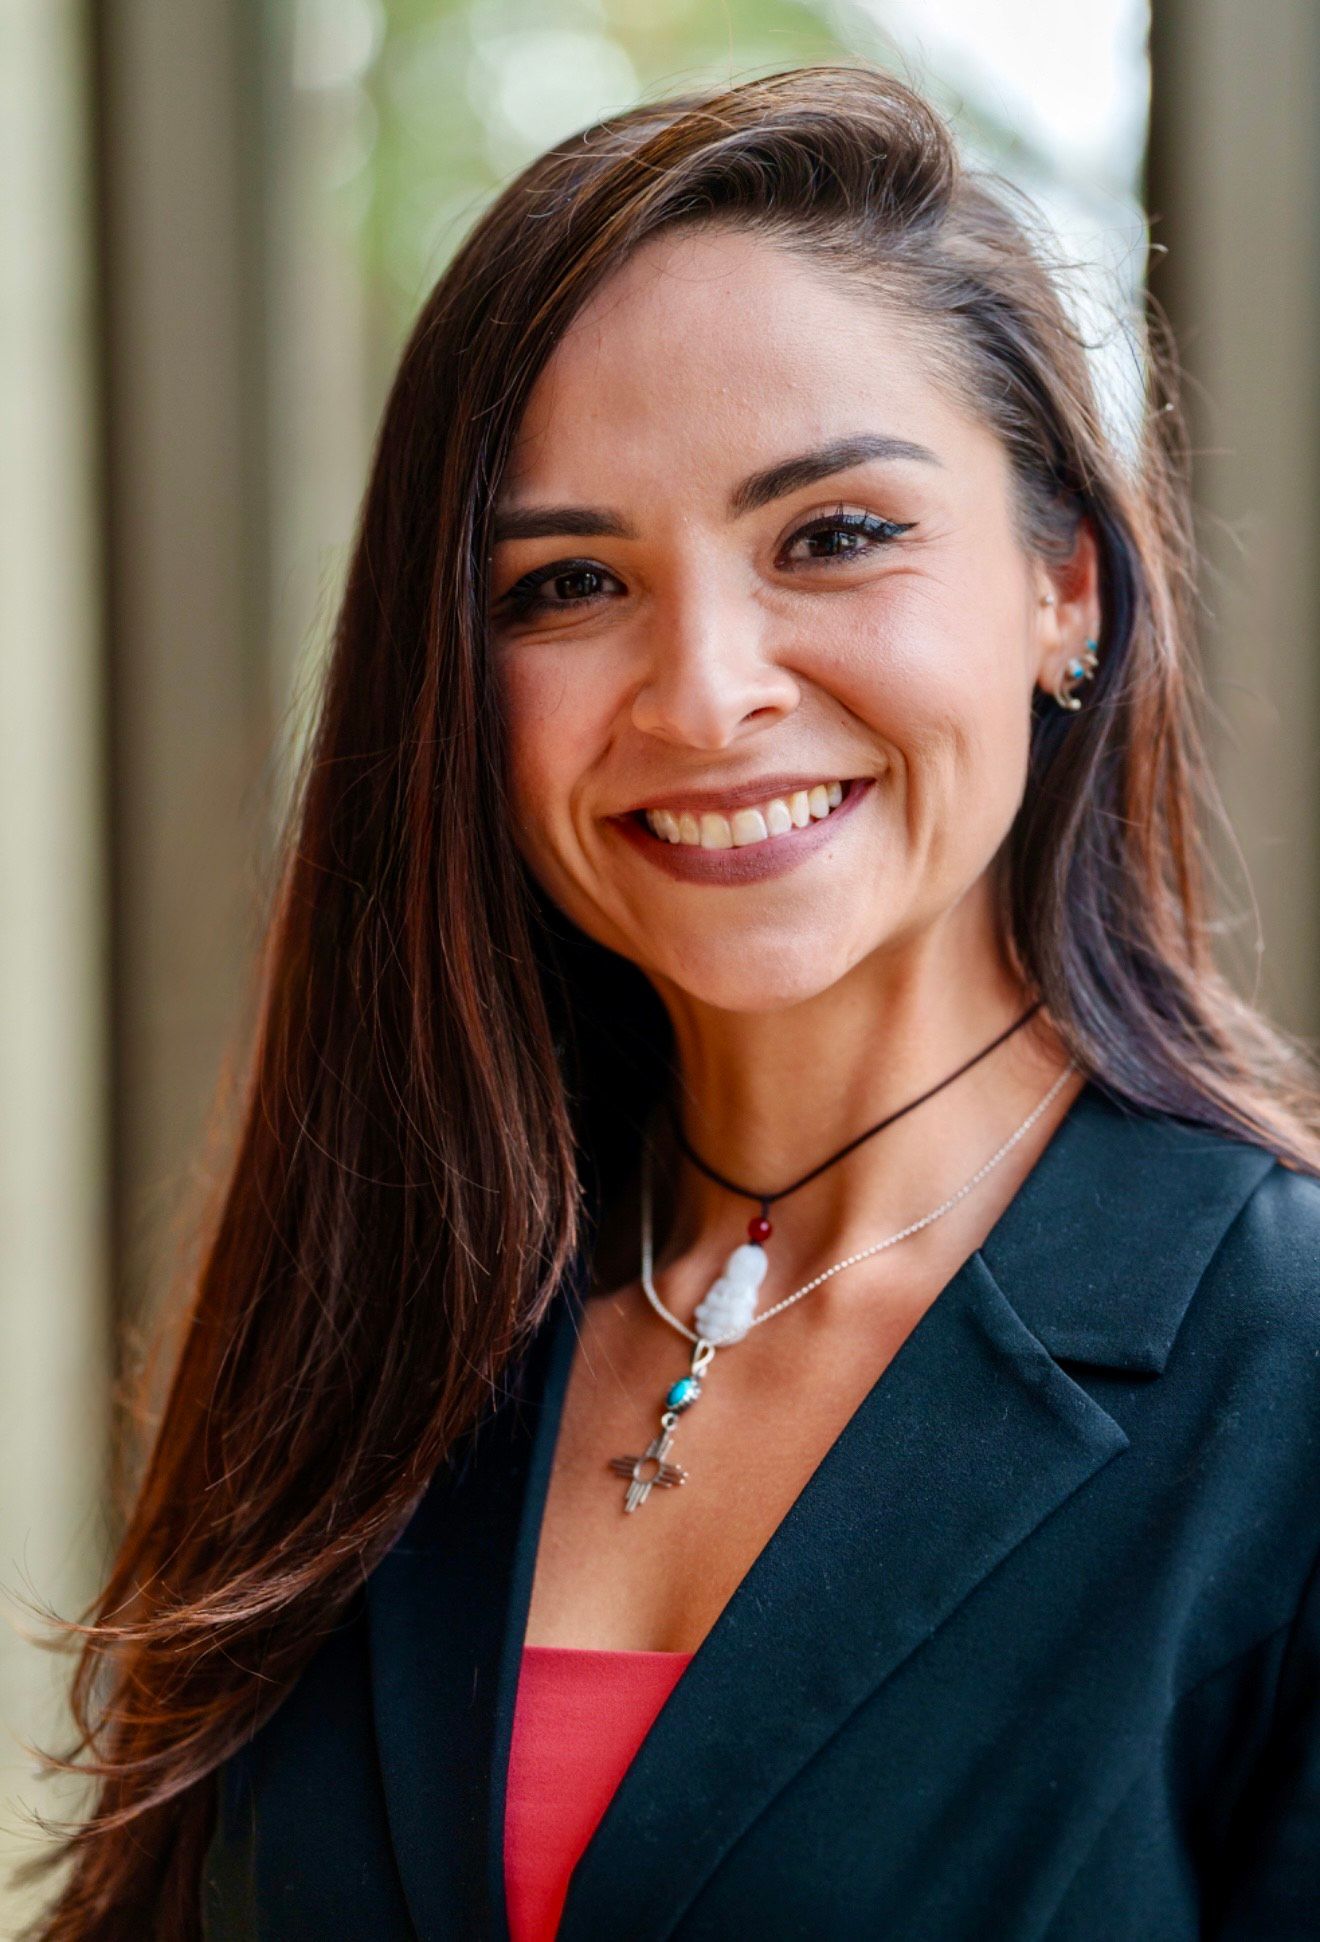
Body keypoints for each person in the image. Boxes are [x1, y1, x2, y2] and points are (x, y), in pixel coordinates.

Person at [14, 63, 1320, 1942]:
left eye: (834, 535)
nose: (704, 690)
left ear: (1065, 592)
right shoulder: (404, 1317)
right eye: (568, 581)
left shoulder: (1275, 1381)